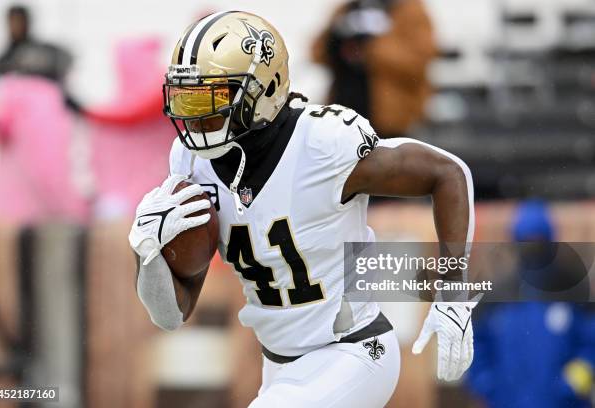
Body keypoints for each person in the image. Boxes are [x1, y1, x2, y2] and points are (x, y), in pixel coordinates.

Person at [128, 11, 475, 407]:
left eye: (214, 99)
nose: (197, 118)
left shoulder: (322, 144)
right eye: (186, 99)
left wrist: (454, 292)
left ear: (265, 88)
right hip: (279, 367)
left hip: (355, 353)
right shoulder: (191, 161)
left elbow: (447, 173)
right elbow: (170, 314)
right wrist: (146, 253)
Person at [467, 201, 595, 408]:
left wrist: (570, 385)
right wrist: (487, 383)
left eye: (538, 240)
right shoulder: (497, 295)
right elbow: (474, 347)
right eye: (525, 241)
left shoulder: (572, 290)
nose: (532, 247)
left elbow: (591, 344)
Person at [311, 0, 437, 138]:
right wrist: (336, 41)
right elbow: (317, 54)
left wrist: (370, 47)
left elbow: (418, 61)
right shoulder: (347, 9)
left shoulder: (409, 10)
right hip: (344, 118)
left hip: (390, 121)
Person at [0, 5, 81, 112]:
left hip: (46, 110)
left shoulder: (43, 51)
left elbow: (65, 62)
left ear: (27, 22)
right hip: (16, 115)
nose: (15, 26)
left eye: (19, 21)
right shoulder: (5, 58)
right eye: (12, 21)